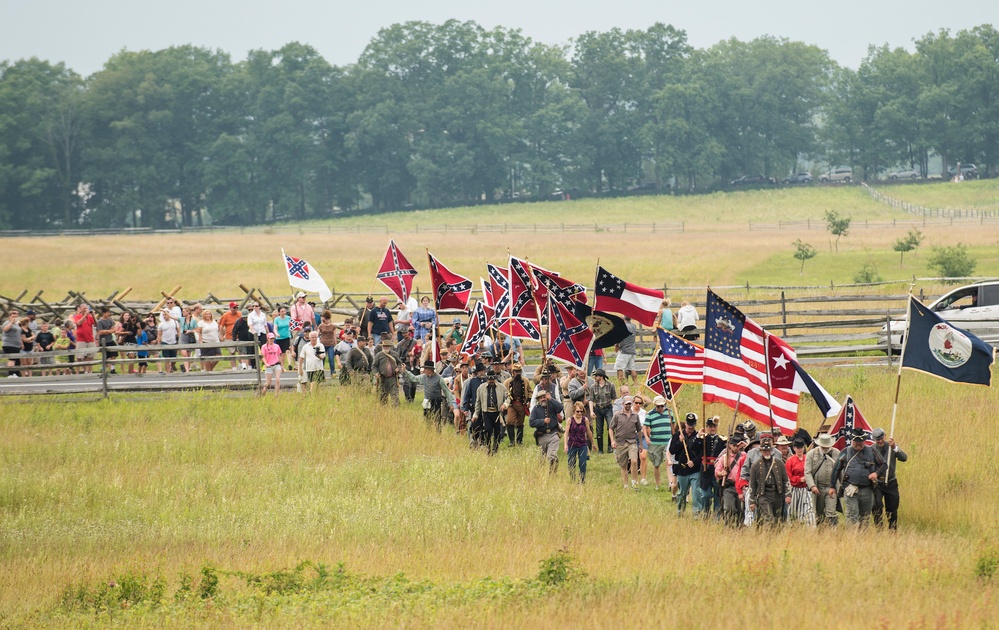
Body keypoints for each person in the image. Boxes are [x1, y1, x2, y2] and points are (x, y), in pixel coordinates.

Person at [832, 428, 886, 528]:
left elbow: (883, 465)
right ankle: (852, 539)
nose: (859, 444)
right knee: (852, 516)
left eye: (861, 442)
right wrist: (832, 486)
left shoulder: (872, 451)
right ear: (852, 440)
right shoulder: (845, 452)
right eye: (856, 441)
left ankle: (862, 540)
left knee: (865, 517)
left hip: (867, 489)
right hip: (850, 489)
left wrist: (876, 473)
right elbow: (836, 469)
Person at [401, 360, 457, 432]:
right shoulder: (423, 377)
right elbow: (414, 378)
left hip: (436, 402)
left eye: (425, 369)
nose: (424, 370)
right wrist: (405, 371)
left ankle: (437, 434)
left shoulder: (439, 378)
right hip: (427, 402)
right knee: (427, 420)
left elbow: (446, 391)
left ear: (430, 370)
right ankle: (429, 433)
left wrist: (451, 403)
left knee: (437, 420)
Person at [749, 436, 791, 527]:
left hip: (777, 494)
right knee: (769, 518)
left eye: (768, 450)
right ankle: (768, 536)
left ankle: (774, 538)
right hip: (764, 495)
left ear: (771, 451)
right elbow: (752, 484)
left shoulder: (779, 463)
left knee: (777, 519)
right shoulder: (755, 466)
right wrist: (751, 501)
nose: (767, 452)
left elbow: (785, 480)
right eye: (765, 451)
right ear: (761, 452)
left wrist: (788, 495)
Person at [871, 428, 907, 530]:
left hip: (891, 482)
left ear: (885, 436)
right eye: (877, 439)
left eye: (881, 438)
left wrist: (895, 447)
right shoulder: (871, 449)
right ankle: (879, 529)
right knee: (876, 506)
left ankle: (892, 531)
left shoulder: (891, 446)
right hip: (877, 483)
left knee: (892, 509)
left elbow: (904, 458)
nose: (880, 441)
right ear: (874, 439)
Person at [669, 413, 703, 515]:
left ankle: (696, 513)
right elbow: (672, 450)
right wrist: (679, 441)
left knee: (696, 492)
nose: (690, 427)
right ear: (686, 423)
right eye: (689, 424)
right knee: (682, 493)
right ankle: (680, 511)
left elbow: (701, 454)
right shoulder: (678, 435)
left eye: (692, 425)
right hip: (682, 469)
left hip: (694, 470)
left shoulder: (699, 437)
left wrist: (694, 461)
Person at [804, 432, 841, 527]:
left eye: (827, 447)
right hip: (817, 488)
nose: (826, 449)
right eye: (824, 447)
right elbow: (807, 472)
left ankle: (833, 532)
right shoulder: (811, 454)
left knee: (831, 513)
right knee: (818, 513)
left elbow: (841, 471)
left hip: (831, 488)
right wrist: (812, 486)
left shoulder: (836, 453)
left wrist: (840, 487)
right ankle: (820, 532)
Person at [609, 396, 643, 489]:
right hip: (620, 442)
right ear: (623, 404)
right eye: (626, 404)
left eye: (629, 404)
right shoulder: (617, 415)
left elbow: (639, 430)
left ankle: (634, 482)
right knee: (623, 465)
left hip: (632, 441)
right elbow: (611, 428)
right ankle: (626, 484)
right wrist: (612, 441)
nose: (628, 405)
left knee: (634, 460)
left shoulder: (635, 416)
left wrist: (640, 444)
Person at [472, 370, 508, 454]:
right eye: (489, 379)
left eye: (493, 379)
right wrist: (476, 414)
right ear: (487, 379)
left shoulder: (501, 387)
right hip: (486, 412)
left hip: (497, 412)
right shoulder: (481, 388)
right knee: (487, 429)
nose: (491, 381)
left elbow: (508, 398)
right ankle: (488, 447)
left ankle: (495, 449)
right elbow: (478, 402)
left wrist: (504, 405)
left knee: (497, 431)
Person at [642, 396, 674, 491]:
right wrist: (647, 438)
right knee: (656, 464)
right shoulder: (650, 414)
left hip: (667, 442)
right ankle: (658, 484)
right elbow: (645, 426)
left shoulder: (669, 412)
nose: (660, 408)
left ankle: (670, 482)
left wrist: (674, 437)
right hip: (655, 442)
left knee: (668, 462)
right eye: (658, 406)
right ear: (655, 405)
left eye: (662, 406)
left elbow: (673, 424)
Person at [528, 389, 563, 473]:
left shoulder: (552, 406)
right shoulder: (536, 409)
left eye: (544, 397)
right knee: (542, 457)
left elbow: (560, 408)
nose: (543, 399)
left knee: (552, 455)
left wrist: (551, 399)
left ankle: (552, 473)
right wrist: (543, 421)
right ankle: (541, 473)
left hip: (553, 434)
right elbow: (531, 422)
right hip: (542, 435)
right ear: (538, 400)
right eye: (541, 398)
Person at [696, 416, 726, 517]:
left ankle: (717, 516)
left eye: (714, 426)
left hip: (717, 469)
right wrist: (698, 437)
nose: (712, 428)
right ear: (707, 427)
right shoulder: (703, 439)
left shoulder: (722, 440)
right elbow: (694, 449)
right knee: (705, 495)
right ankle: (706, 512)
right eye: (710, 426)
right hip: (705, 469)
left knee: (718, 494)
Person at [715, 433, 747, 526]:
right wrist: (721, 473)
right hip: (729, 486)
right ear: (729, 445)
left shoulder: (744, 456)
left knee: (741, 509)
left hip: (741, 487)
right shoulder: (724, 457)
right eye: (734, 445)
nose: (736, 448)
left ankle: (740, 526)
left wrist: (745, 445)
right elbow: (717, 471)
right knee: (729, 508)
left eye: (738, 446)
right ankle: (729, 526)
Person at [786, 438, 816, 526]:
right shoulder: (790, 461)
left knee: (809, 510)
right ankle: (793, 527)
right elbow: (788, 477)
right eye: (797, 447)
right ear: (794, 448)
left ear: (804, 448)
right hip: (795, 489)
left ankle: (810, 527)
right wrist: (799, 479)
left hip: (807, 489)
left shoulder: (808, 459)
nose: (799, 449)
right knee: (793, 511)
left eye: (801, 447)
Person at [588, 368, 616, 454]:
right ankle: (600, 449)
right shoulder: (593, 386)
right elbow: (591, 399)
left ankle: (609, 446)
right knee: (599, 429)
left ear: (601, 377)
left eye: (596, 376)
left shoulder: (610, 385)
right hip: (598, 409)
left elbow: (614, 398)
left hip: (608, 408)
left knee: (610, 426)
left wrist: (615, 409)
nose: (595, 377)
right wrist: (591, 411)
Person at [564, 401, 594, 483]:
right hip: (572, 445)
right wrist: (565, 445)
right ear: (574, 411)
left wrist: (593, 443)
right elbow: (566, 433)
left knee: (583, 463)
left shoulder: (585, 420)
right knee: (571, 464)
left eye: (581, 411)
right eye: (578, 411)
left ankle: (582, 480)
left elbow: (588, 432)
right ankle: (572, 480)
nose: (579, 413)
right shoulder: (570, 420)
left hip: (582, 445)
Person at [503, 363, 531, 446]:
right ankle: (512, 441)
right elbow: (504, 392)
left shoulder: (525, 381)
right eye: (516, 371)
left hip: (522, 404)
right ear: (513, 372)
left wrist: (529, 399)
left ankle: (519, 441)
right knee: (510, 421)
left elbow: (530, 390)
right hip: (512, 404)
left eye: (519, 371)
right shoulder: (507, 382)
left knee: (520, 423)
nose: (518, 373)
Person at [462, 363, 488, 447]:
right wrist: (465, 407)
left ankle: (483, 441)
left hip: (485, 407)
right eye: (479, 371)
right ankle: (474, 440)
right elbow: (467, 395)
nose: (481, 373)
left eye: (482, 371)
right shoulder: (472, 381)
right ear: (477, 372)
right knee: (475, 425)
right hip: (474, 407)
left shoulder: (487, 381)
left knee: (485, 425)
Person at [372, 338, 402, 406]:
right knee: (383, 396)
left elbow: (400, 363)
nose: (386, 348)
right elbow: (374, 366)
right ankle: (383, 411)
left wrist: (398, 368)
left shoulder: (394, 354)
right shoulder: (378, 355)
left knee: (394, 395)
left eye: (387, 346)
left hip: (393, 378)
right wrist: (376, 373)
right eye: (385, 346)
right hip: (383, 378)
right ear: (382, 347)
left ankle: (395, 410)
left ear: (390, 347)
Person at [72, 304, 97, 374]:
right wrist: (85, 315)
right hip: (81, 339)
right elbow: (79, 323)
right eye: (84, 308)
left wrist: (94, 316)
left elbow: (96, 324)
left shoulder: (90, 317)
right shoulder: (78, 316)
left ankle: (89, 371)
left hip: (90, 338)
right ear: (80, 309)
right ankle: (77, 372)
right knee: (79, 357)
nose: (85, 310)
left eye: (86, 308)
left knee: (90, 356)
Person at [614, 317, 638, 384]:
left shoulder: (624, 326)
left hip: (624, 350)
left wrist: (616, 345)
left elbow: (620, 337)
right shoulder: (634, 326)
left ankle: (621, 383)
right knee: (632, 368)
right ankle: (636, 383)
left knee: (619, 367)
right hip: (632, 349)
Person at [218, 302, 242, 368]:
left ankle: (241, 365)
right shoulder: (225, 315)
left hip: (239, 336)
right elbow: (221, 326)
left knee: (240, 351)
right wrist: (221, 335)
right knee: (232, 352)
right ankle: (234, 367)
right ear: (230, 308)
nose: (236, 309)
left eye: (237, 307)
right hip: (229, 336)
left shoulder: (240, 314)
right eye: (234, 308)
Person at [95, 308, 118, 374]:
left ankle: (112, 369)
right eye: (107, 313)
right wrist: (109, 331)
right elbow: (100, 332)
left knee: (114, 354)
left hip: (110, 340)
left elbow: (113, 330)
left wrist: (106, 331)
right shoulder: (100, 322)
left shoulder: (110, 320)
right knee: (106, 356)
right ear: (103, 313)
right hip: (103, 341)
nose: (109, 314)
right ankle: (104, 368)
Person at [3, 308, 23, 377]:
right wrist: (11, 322)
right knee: (12, 358)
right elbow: (5, 329)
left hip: (16, 345)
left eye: (16, 313)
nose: (15, 315)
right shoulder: (7, 322)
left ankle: (16, 374)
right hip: (9, 344)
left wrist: (21, 343)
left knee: (17, 361)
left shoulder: (17, 324)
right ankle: (10, 374)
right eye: (13, 313)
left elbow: (19, 333)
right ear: (10, 315)